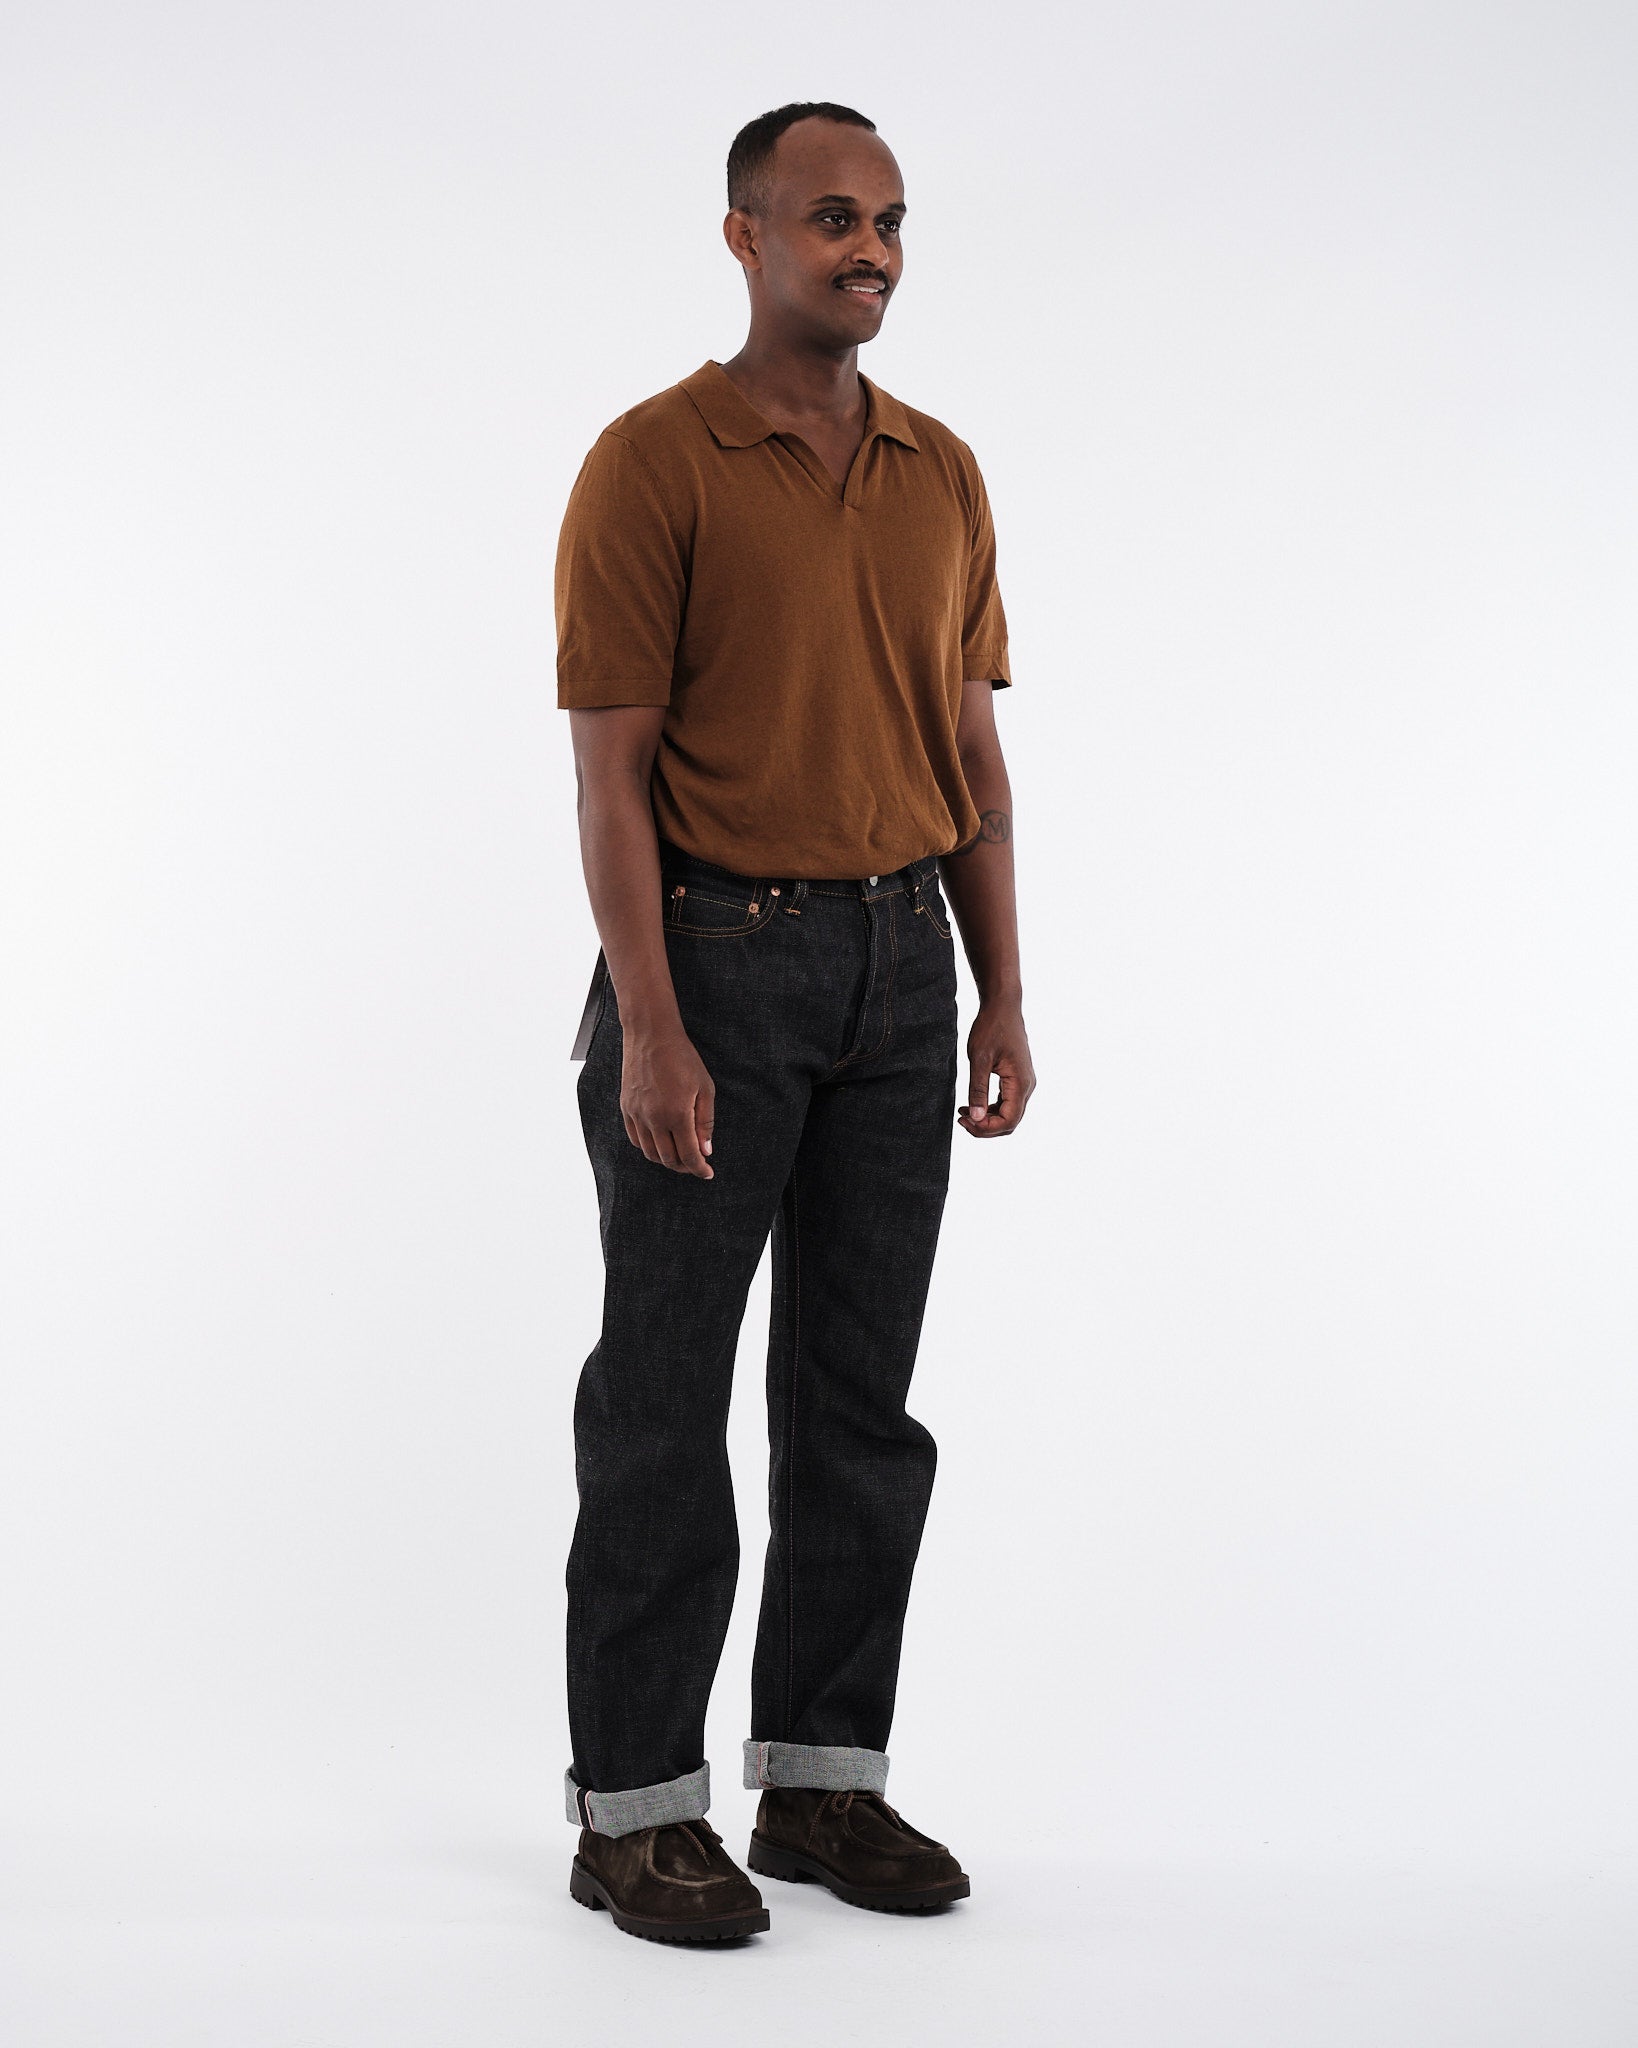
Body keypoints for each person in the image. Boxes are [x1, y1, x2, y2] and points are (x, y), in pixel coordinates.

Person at [553, 100, 1035, 1944]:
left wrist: (1001, 989)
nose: (871, 252)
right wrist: (652, 1029)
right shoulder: (651, 461)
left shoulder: (938, 468)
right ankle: (632, 1812)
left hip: (900, 972)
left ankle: (823, 1785)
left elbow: (972, 757)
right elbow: (610, 781)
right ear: (744, 236)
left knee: (858, 1403)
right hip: (711, 963)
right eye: (833, 218)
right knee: (662, 1401)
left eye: (892, 223)